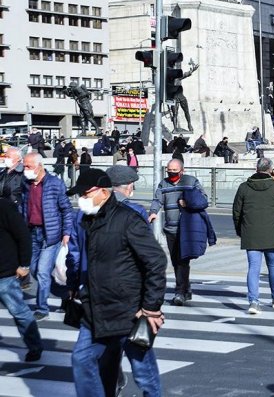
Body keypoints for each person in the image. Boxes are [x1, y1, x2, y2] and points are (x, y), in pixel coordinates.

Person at [65, 169, 167, 397]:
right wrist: (74, 288)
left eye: (85, 193)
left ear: (103, 191)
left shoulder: (128, 218)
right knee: (82, 359)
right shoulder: (87, 220)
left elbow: (156, 261)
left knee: (143, 370)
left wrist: (150, 307)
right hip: (95, 308)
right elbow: (79, 256)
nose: (80, 199)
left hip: (127, 310)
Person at [232, 158, 274, 314]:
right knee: (273, 266)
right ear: (271, 170)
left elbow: (236, 212)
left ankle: (253, 302)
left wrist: (240, 231)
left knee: (253, 268)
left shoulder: (244, 187)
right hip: (273, 234)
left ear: (256, 169)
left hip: (251, 233)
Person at [21, 153, 73, 320]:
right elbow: (24, 208)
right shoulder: (26, 184)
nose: (25, 170)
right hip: (31, 233)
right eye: (24, 166)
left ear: (39, 166)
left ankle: (42, 309)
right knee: (35, 270)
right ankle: (65, 294)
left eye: (28, 166)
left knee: (43, 272)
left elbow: (66, 210)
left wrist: (66, 233)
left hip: (50, 234)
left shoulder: (55, 184)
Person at [149, 159, 207, 306]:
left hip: (186, 229)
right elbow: (157, 200)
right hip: (170, 229)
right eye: (169, 171)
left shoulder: (191, 181)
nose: (172, 174)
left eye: (175, 171)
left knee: (182, 260)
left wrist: (188, 204)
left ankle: (180, 292)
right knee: (176, 261)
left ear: (182, 170)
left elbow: (203, 200)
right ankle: (186, 289)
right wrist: (153, 212)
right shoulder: (164, 184)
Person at [0, 197, 43, 362]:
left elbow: (23, 235)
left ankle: (34, 347)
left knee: (19, 312)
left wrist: (24, 265)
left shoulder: (5, 208)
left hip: (5, 273)